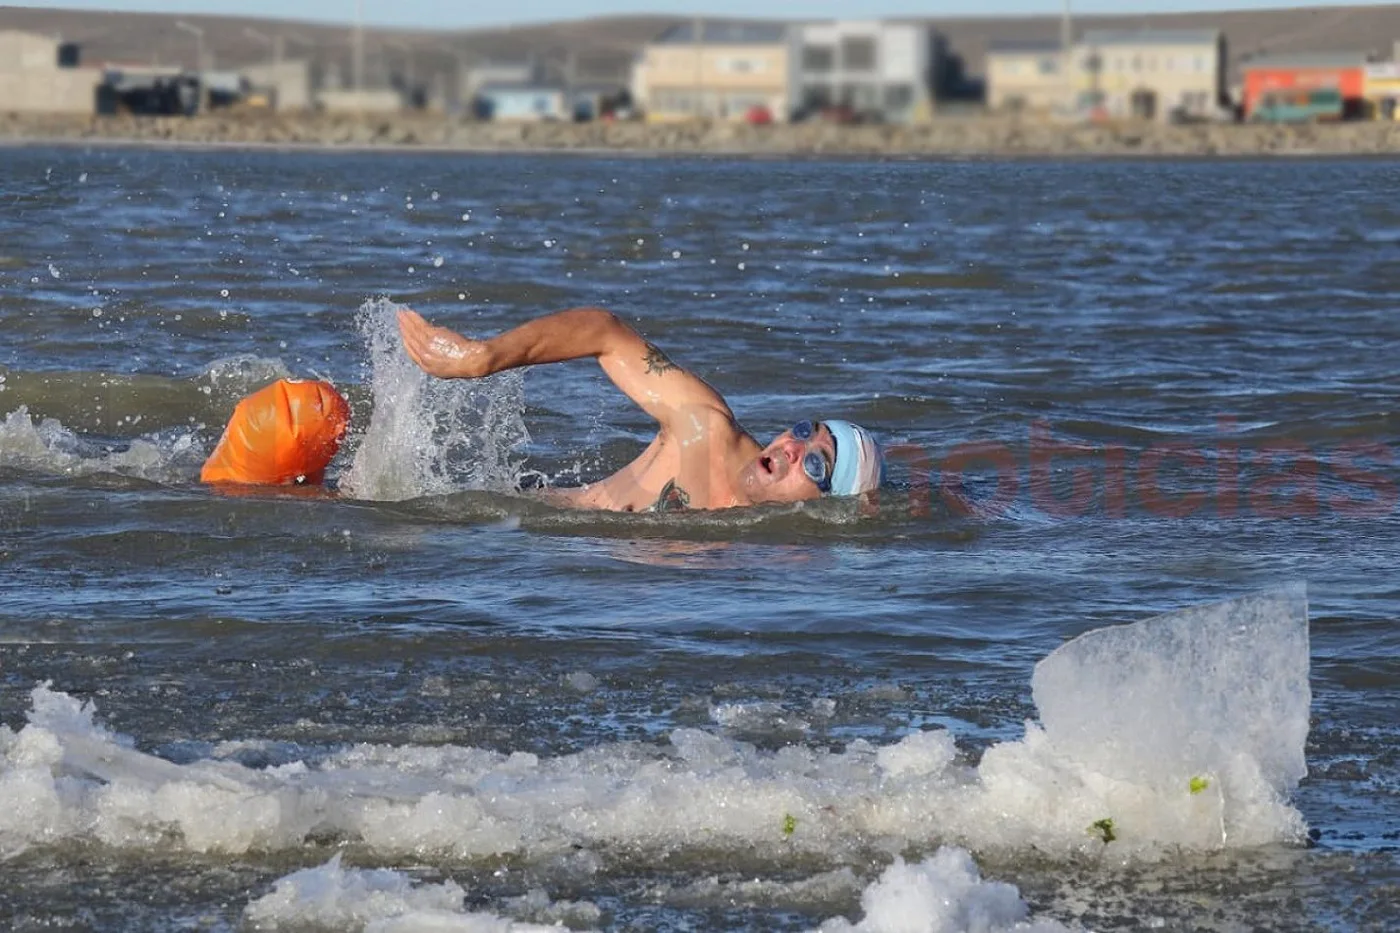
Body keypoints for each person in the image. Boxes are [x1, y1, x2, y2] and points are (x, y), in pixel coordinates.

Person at [397, 306, 884, 512]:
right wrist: (485, 357)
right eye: (805, 431)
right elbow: (606, 334)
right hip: (497, 521)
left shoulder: (757, 567)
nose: (795, 448)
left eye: (817, 463)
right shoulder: (704, 427)